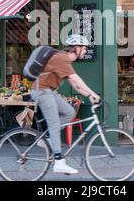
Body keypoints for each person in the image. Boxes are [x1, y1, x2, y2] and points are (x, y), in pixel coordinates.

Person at [31, 34, 101, 175]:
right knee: (54, 123)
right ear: (76, 48)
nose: (86, 51)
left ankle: (47, 139)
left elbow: (75, 85)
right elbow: (78, 80)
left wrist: (88, 95)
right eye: (84, 48)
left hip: (49, 91)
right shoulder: (62, 58)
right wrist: (94, 93)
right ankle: (58, 162)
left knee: (69, 112)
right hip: (41, 91)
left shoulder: (65, 60)